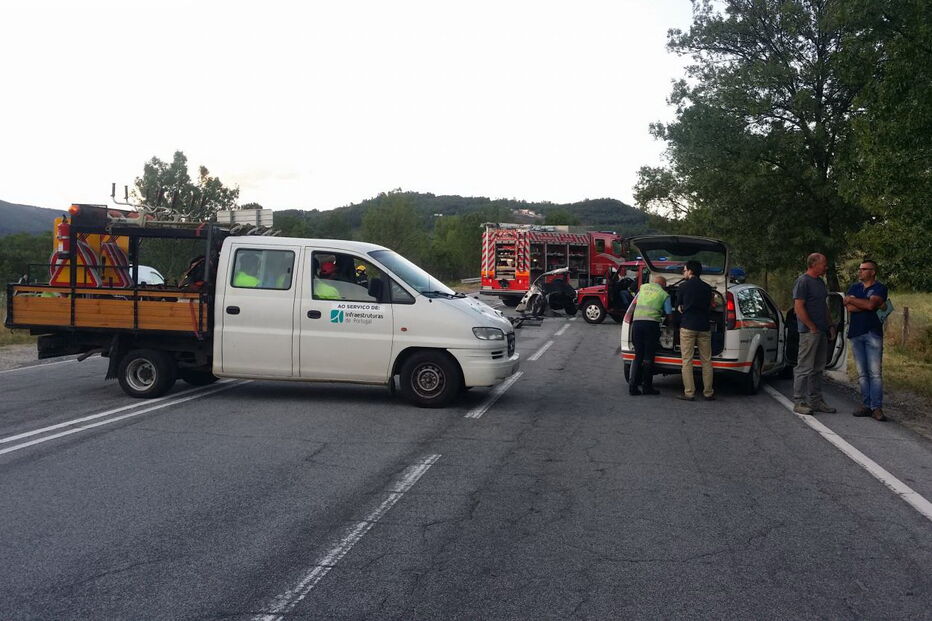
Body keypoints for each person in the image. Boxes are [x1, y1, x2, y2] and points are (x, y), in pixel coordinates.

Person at [791, 253, 837, 415]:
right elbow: (799, 307)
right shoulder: (803, 282)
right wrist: (811, 326)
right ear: (814, 264)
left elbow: (823, 306)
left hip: (821, 330)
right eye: (823, 263)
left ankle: (816, 401)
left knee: (818, 368)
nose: (826, 266)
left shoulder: (820, 283)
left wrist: (830, 325)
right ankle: (799, 401)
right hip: (809, 332)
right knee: (804, 366)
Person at [844, 259, 889, 421]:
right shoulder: (854, 287)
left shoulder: (880, 288)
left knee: (875, 373)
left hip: (873, 334)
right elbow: (848, 307)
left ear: (873, 272)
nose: (860, 271)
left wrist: (854, 301)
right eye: (860, 269)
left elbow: (871, 306)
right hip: (856, 333)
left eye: (864, 269)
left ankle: (877, 407)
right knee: (862, 373)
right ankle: (866, 405)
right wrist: (863, 303)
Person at [676, 260, 714, 401]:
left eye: (684, 270)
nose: (683, 272)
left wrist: (682, 308)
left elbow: (678, 307)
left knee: (687, 360)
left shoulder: (683, 287)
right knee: (706, 360)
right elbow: (709, 306)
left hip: (688, 327)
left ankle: (689, 392)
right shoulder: (707, 288)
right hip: (704, 327)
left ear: (690, 271)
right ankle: (708, 392)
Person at [629, 275, 673, 396]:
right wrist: (669, 324)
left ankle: (633, 387)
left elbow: (634, 304)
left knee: (638, 355)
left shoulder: (642, 288)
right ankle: (647, 387)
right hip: (651, 326)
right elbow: (669, 314)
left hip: (637, 324)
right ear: (663, 285)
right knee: (648, 356)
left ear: (653, 282)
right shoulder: (664, 294)